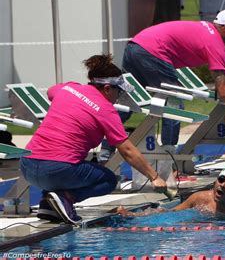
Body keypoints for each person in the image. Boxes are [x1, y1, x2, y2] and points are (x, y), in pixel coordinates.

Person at [99, 9, 225, 162]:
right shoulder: (215, 42)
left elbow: (223, 72)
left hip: (135, 46)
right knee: (174, 105)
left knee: (126, 102)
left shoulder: (207, 31)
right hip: (154, 52)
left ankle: (105, 152)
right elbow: (223, 92)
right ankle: (170, 162)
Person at [20, 54, 167, 225]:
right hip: (58, 170)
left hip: (27, 166)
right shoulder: (106, 110)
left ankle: (48, 203)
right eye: (118, 91)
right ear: (107, 88)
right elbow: (127, 150)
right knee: (108, 180)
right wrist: (154, 176)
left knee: (70, 162)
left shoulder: (68, 88)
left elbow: (51, 91)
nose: (119, 96)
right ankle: (66, 198)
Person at [117, 165, 225, 219]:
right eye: (221, 179)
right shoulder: (200, 199)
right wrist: (133, 215)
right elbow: (170, 212)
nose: (222, 185)